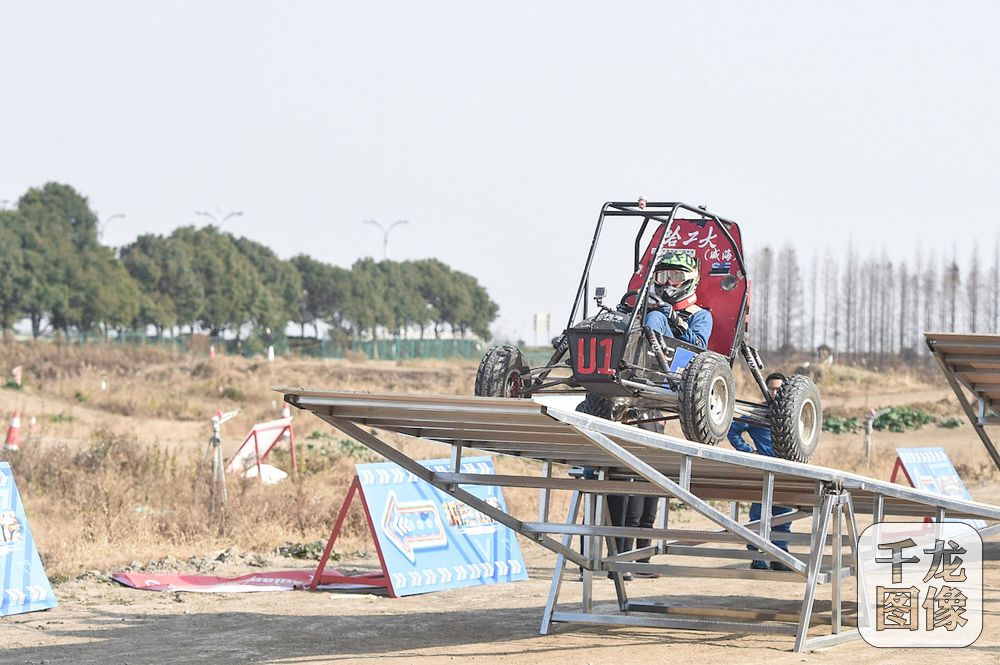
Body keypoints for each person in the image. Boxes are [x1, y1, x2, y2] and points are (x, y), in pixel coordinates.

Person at [727, 372, 794, 571]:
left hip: (786, 473)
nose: (775, 393)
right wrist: (749, 452)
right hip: (764, 472)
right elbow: (732, 429)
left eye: (779, 389)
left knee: (784, 515)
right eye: (771, 389)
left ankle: (780, 556)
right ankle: (756, 555)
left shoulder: (792, 412)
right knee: (759, 515)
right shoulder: (758, 413)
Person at [642, 251, 713, 349]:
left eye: (675, 277)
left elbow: (700, 347)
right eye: (662, 277)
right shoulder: (651, 307)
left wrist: (676, 321)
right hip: (642, 352)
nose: (668, 283)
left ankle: (644, 352)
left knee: (656, 317)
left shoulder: (700, 315)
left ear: (689, 279)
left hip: (676, 359)